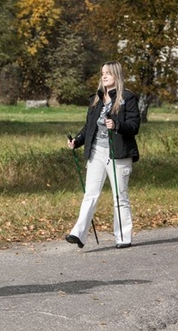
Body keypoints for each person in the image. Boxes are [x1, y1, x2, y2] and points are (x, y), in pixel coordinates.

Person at [65, 61, 140, 250]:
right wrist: (77, 140)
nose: (104, 76)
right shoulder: (96, 99)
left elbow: (134, 126)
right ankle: (78, 233)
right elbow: (89, 126)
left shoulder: (127, 98)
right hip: (96, 151)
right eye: (102, 73)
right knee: (90, 194)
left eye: (108, 73)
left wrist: (117, 125)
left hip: (119, 153)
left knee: (119, 196)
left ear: (117, 75)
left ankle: (123, 236)